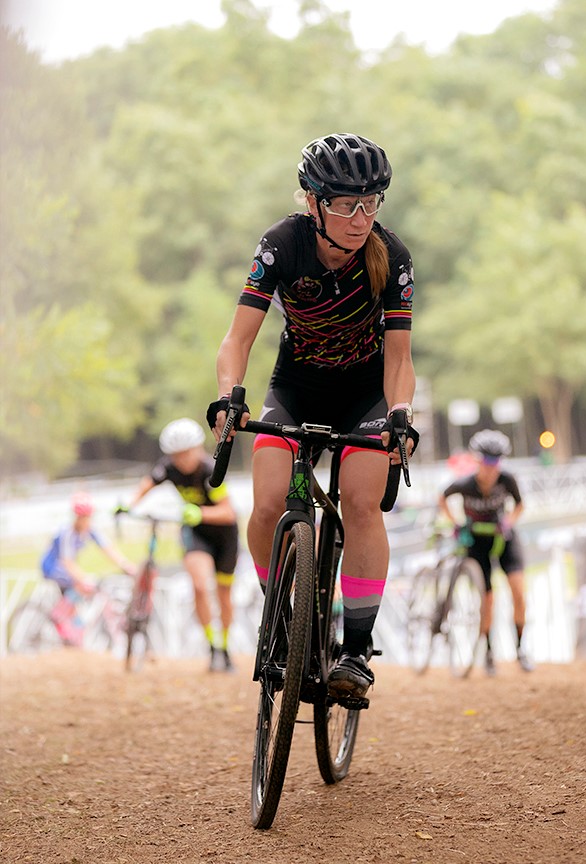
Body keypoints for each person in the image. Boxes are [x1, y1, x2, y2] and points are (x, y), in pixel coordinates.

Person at [208, 132, 417, 699]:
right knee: (268, 504)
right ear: (313, 202)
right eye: (346, 205)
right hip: (296, 388)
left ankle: (355, 651)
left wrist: (400, 413)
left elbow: (399, 358)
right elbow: (237, 339)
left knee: (361, 503)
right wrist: (230, 396)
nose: (360, 219)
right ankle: (283, 617)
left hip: (364, 395)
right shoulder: (282, 245)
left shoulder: (392, 255)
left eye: (370, 204)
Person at [124, 418, 239, 672]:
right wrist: (128, 505)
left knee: (223, 594)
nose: (181, 460)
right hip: (195, 533)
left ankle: (225, 647)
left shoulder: (210, 471)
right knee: (199, 586)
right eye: (176, 455)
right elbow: (146, 485)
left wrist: (200, 512)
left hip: (225, 536)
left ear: (198, 448)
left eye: (186, 453)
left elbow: (229, 513)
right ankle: (212, 647)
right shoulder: (168, 468)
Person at [438, 429, 533, 675]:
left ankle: (520, 649)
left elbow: (520, 505)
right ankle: (489, 653)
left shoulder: (507, 480)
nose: (491, 468)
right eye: (486, 462)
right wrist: (455, 523)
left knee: (518, 591)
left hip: (503, 538)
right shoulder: (464, 484)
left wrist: (509, 522)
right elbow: (442, 497)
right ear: (477, 461)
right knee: (487, 600)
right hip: (476, 541)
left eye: (496, 462)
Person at [41, 492, 136, 646]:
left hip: (65, 567)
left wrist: (126, 565)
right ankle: (58, 614)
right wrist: (84, 578)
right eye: (82, 517)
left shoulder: (90, 530)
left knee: (83, 592)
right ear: (76, 517)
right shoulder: (67, 532)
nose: (85, 520)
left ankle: (71, 626)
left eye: (88, 516)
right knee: (83, 585)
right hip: (52, 567)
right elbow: (67, 562)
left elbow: (107, 549)